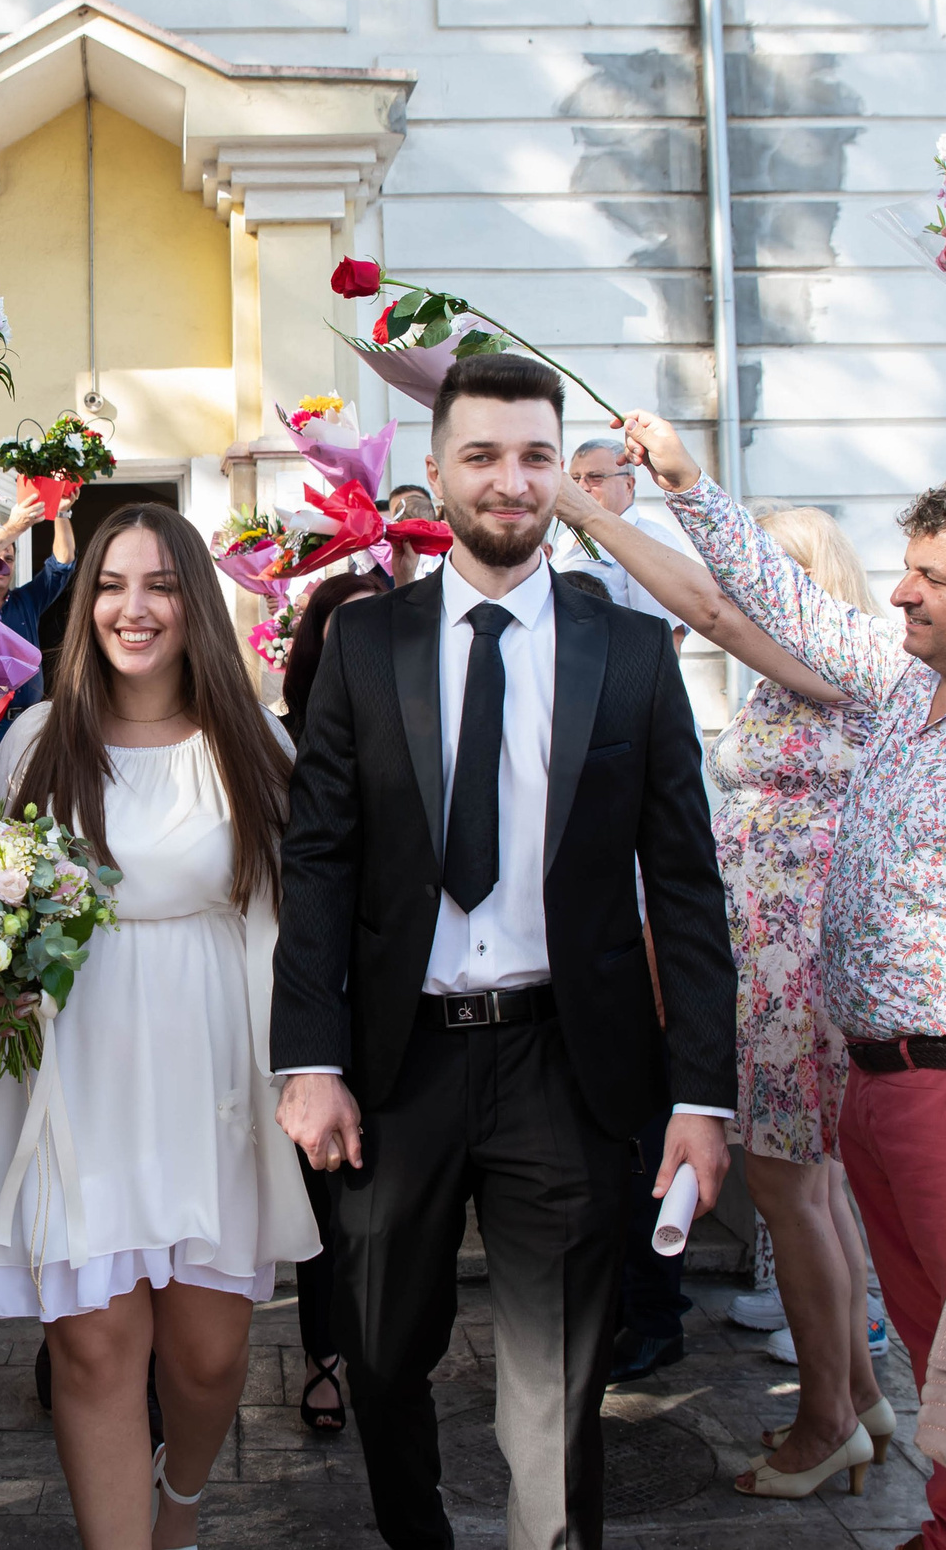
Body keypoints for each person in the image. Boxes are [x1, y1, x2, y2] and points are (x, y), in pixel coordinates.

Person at [273, 355, 739, 1550]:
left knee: (557, 1387)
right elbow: (317, 858)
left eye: (535, 454)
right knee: (377, 1354)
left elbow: (683, 884)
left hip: (564, 1062)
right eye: (481, 454)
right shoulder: (367, 644)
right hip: (397, 1063)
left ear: (561, 475)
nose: (510, 478)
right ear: (436, 471)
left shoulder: (628, 653)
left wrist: (701, 1092)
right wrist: (307, 1056)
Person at [626, 406, 946, 1550]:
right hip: (870, 1068)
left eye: (931, 577)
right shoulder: (900, 684)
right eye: (906, 570)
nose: (902, 595)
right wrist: (682, 481)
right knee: (928, 1332)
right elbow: (772, 604)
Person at [0, 502, 313, 1550]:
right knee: (96, 1349)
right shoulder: (36, 741)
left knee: (203, 1355)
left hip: (212, 1067)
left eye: (157, 584)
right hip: (77, 1066)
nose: (132, 606)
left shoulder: (253, 744)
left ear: (193, 602)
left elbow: (306, 921)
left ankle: (179, 1505)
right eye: (109, 584)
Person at [547, 473, 892, 1486]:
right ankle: (859, 1403)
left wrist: (589, 506)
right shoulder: (787, 680)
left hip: (795, 970)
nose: (734, 590)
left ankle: (824, 1417)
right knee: (809, 1191)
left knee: (791, 1189)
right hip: (765, 960)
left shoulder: (836, 666)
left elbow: (700, 604)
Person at [270, 568, 388, 1436]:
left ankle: (353, 1355)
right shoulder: (277, 741)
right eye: (346, 625)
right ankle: (323, 1356)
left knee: (365, 1204)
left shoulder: (427, 719)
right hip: (309, 991)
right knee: (320, 1190)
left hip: (393, 991)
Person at [0, 492, 76, 807]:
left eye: (9, 558)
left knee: (29, 807)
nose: (3, 564)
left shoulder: (26, 601)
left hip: (27, 726)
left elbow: (61, 565)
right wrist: (12, 528)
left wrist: (62, 514)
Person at [553, 434, 699, 628]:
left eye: (595, 478)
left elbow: (666, 635)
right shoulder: (564, 541)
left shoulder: (650, 539)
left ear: (628, 485)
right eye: (575, 479)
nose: (581, 487)